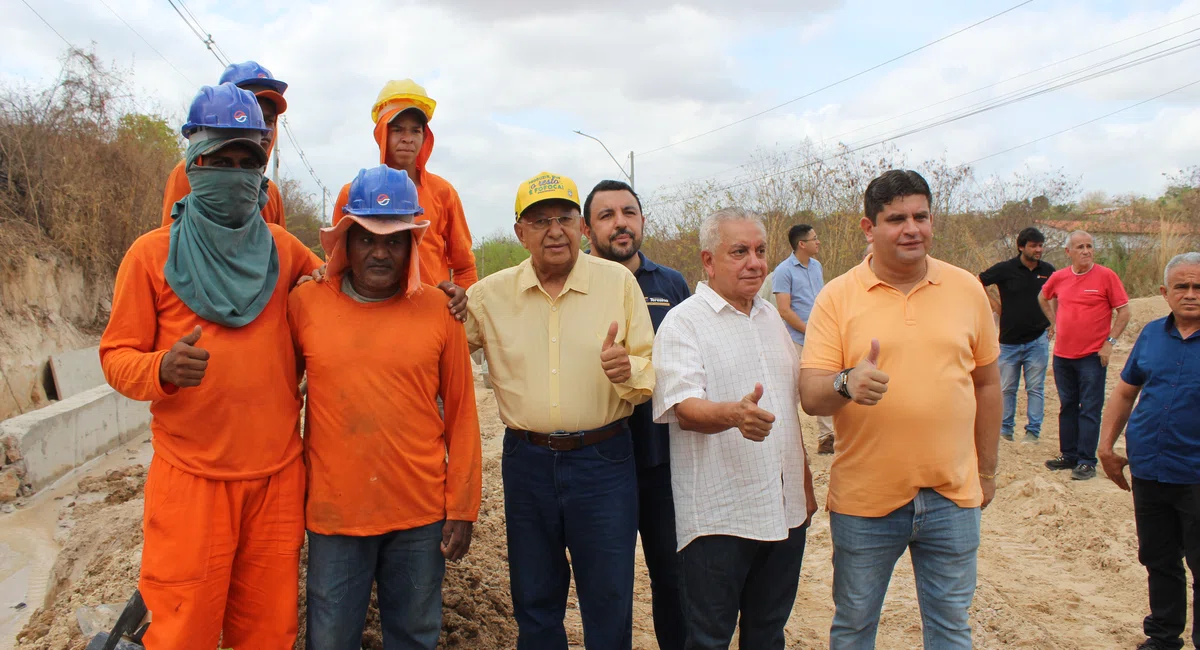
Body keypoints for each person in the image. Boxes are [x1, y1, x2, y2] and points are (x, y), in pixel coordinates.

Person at [100, 84, 323, 648]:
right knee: (182, 628)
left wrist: (431, 294)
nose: (234, 173)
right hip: (191, 482)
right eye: (219, 160)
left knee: (268, 631)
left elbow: (338, 295)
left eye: (247, 162)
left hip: (275, 478)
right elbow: (115, 355)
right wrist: (160, 370)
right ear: (193, 164)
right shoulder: (151, 255)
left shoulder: (284, 248)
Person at [798, 169, 1001, 650]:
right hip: (866, 500)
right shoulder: (837, 297)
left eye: (921, 216)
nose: (912, 229)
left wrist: (986, 471)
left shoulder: (967, 288)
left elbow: (988, 383)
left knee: (951, 626)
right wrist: (846, 383)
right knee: (854, 626)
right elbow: (810, 394)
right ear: (869, 228)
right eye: (896, 219)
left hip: (953, 495)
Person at [290, 165, 482, 649]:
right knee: (330, 639)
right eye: (367, 239)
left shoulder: (441, 311)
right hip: (335, 515)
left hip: (419, 516)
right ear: (345, 242)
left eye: (394, 240)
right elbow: (276, 395)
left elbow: (461, 414)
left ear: (412, 245)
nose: (380, 252)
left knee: (415, 637)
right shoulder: (305, 305)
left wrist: (462, 506)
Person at [465, 171, 655, 649]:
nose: (555, 230)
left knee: (608, 598)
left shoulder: (618, 284)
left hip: (604, 460)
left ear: (582, 228)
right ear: (519, 232)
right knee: (535, 598)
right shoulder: (489, 296)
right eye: (540, 220)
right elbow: (438, 348)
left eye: (565, 218)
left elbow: (651, 370)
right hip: (526, 461)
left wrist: (625, 367)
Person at [652, 207, 816, 650]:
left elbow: (788, 403)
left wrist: (804, 485)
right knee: (708, 639)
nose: (755, 262)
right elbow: (683, 408)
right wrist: (734, 415)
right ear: (708, 261)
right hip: (719, 516)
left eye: (761, 251)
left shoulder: (770, 319)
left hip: (784, 510)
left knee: (767, 634)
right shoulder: (683, 322)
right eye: (739, 251)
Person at [581, 179, 689, 650]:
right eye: (606, 215)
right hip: (600, 466)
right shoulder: (576, 283)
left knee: (675, 581)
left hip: (665, 461)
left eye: (629, 212)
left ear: (643, 220)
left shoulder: (671, 284)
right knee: (609, 589)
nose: (620, 223)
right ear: (588, 230)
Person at [1097, 252, 1200, 650]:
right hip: (1151, 469)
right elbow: (1125, 391)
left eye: (1198, 287)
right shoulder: (1152, 334)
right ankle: (1163, 636)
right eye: (1182, 287)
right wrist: (1106, 446)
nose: (1191, 294)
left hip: (1196, 474)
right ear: (1165, 293)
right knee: (1158, 559)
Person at [330, 79, 476, 316]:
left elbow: (465, 267)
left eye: (415, 130)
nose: (408, 138)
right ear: (381, 133)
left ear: (425, 137)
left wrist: (461, 304)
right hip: (370, 315)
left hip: (431, 318)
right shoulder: (353, 194)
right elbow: (335, 264)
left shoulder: (443, 192)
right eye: (397, 129)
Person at [1039, 230, 1131, 481]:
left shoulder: (1106, 277)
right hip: (1062, 356)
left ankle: (1087, 461)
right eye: (1080, 247)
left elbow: (1123, 312)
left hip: (1092, 355)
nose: (1086, 251)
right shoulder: (1059, 277)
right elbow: (1043, 297)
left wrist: (1109, 343)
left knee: (1089, 408)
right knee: (1068, 406)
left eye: (1089, 246)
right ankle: (1068, 455)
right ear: (1068, 252)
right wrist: (1054, 322)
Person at [161, 61, 289, 228]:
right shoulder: (191, 173)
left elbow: (281, 251)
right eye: (250, 113)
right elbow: (172, 242)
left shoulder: (270, 192)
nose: (263, 129)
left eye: (269, 120)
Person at [978, 226, 1055, 443]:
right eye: (1033, 246)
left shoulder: (1049, 270)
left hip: (1037, 339)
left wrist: (1054, 320)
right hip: (1009, 341)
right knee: (1007, 388)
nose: (1038, 250)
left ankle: (1033, 432)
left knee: (1035, 388)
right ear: (1021, 247)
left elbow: (1058, 295)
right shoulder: (1006, 269)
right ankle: (1005, 430)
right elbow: (977, 281)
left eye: (1040, 245)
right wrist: (994, 305)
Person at [772, 223, 836, 454]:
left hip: (820, 338)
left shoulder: (817, 267)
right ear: (802, 244)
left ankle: (826, 438)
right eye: (814, 238)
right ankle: (788, 442)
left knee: (824, 385)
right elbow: (784, 309)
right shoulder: (783, 271)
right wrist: (810, 330)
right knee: (794, 391)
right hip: (796, 340)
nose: (818, 242)